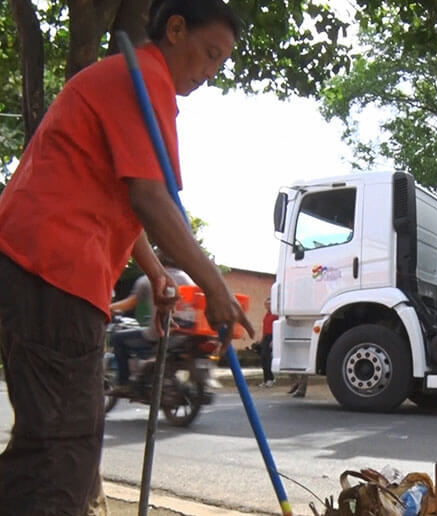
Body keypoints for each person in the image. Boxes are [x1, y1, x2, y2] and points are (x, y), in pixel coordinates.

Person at [0, 2, 253, 515]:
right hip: (54, 273)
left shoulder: (128, 81)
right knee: (60, 453)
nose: (208, 73)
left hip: (38, 266)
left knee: (51, 444)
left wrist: (158, 273)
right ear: (175, 29)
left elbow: (119, 194)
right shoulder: (140, 80)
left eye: (219, 65)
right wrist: (216, 291)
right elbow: (150, 198)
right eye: (208, 55)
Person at [109, 252, 195, 391]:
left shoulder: (149, 279)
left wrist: (108, 307)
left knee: (118, 338)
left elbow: (130, 304)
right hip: (185, 333)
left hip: (161, 332)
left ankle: (123, 383)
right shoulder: (188, 279)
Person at [258, 297, 277, 387]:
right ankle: (266, 379)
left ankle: (271, 379)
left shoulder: (275, 315)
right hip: (266, 337)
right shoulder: (266, 315)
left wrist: (274, 340)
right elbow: (265, 328)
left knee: (268, 359)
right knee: (263, 358)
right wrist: (262, 339)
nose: (267, 306)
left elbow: (276, 329)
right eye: (266, 304)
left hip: (272, 337)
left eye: (269, 304)